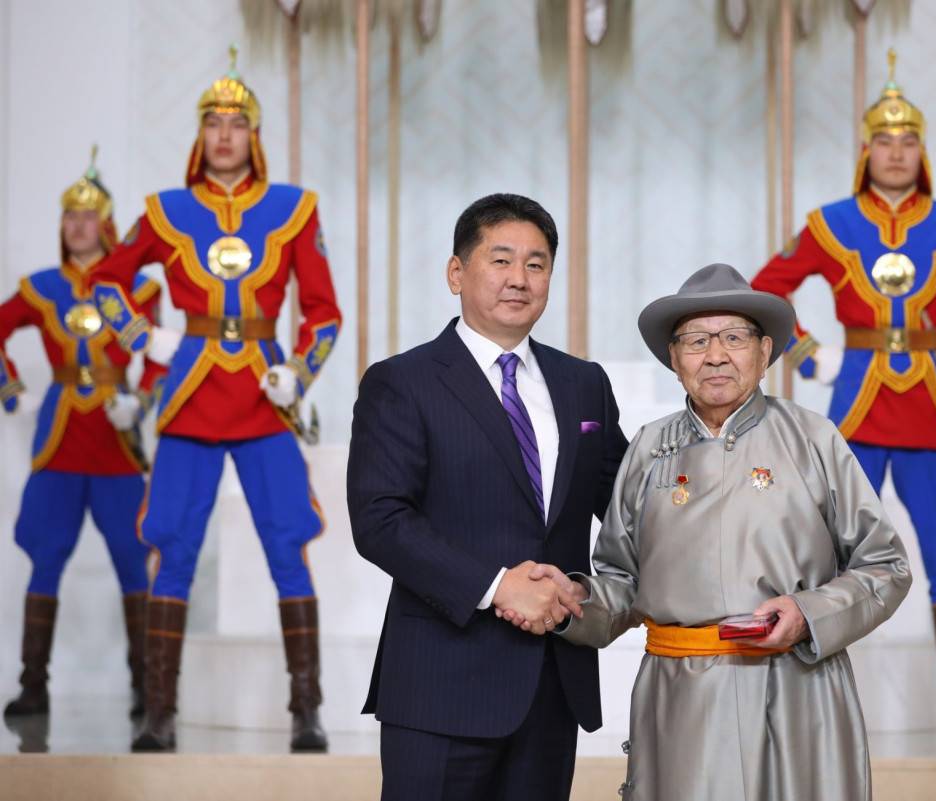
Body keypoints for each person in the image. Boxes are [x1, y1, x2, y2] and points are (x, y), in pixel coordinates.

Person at [537, 263, 909, 801]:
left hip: (797, 689)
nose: (715, 355)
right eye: (696, 341)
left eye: (734, 337)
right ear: (674, 359)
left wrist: (809, 614)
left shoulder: (813, 439)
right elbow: (622, 581)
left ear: (764, 351)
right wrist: (573, 601)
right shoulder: (648, 449)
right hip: (679, 700)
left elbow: (886, 566)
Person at [749, 49, 936, 752]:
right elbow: (764, 290)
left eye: (909, 139)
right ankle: (807, 708)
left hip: (930, 408)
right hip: (857, 405)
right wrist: (809, 354)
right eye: (885, 140)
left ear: (923, 151)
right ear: (866, 151)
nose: (897, 151)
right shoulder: (830, 222)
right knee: (824, 555)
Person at [87, 46, 342, 752]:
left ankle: (306, 710)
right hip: (190, 397)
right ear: (199, 135)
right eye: (212, 122)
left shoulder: (295, 209)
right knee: (172, 547)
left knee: (287, 544)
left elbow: (323, 311)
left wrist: (300, 372)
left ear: (254, 136)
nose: (224, 134)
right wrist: (143, 336)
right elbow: (105, 283)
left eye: (237, 123)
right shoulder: (163, 212)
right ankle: (159, 714)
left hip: (264, 396)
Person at [347, 193, 628, 801]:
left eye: (536, 264)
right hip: (441, 684)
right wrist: (498, 585)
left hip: (552, 682)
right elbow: (380, 519)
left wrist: (589, 589)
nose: (519, 278)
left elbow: (632, 508)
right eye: (501, 260)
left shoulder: (584, 383)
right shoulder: (403, 381)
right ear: (457, 273)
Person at [0, 148, 164, 721]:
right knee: (46, 557)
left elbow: (160, 356)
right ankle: (33, 685)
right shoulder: (42, 287)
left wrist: (140, 402)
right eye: (69, 215)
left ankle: (146, 686)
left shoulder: (138, 288)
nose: (77, 225)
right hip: (60, 441)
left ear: (108, 225)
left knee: (132, 558)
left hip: (116, 443)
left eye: (88, 216)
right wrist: (9, 389)